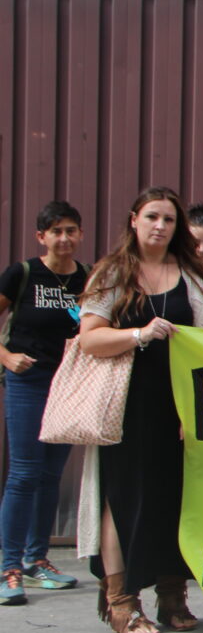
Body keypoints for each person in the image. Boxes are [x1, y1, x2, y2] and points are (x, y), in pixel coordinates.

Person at [76, 187, 203, 633]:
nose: (160, 226)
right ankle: (121, 601)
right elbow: (90, 338)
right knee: (122, 499)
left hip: (177, 405)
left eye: (169, 219)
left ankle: (172, 595)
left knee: (175, 497)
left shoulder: (191, 275)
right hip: (125, 406)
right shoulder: (112, 272)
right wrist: (139, 334)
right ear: (134, 219)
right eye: (153, 217)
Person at [0, 201, 90, 606]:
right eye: (56, 231)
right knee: (24, 473)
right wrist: (6, 357)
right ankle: (9, 567)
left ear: (81, 234)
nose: (64, 238)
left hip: (68, 384)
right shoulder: (22, 274)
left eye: (71, 230)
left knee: (51, 474)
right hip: (28, 381)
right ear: (41, 237)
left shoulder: (87, 277)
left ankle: (37, 560)